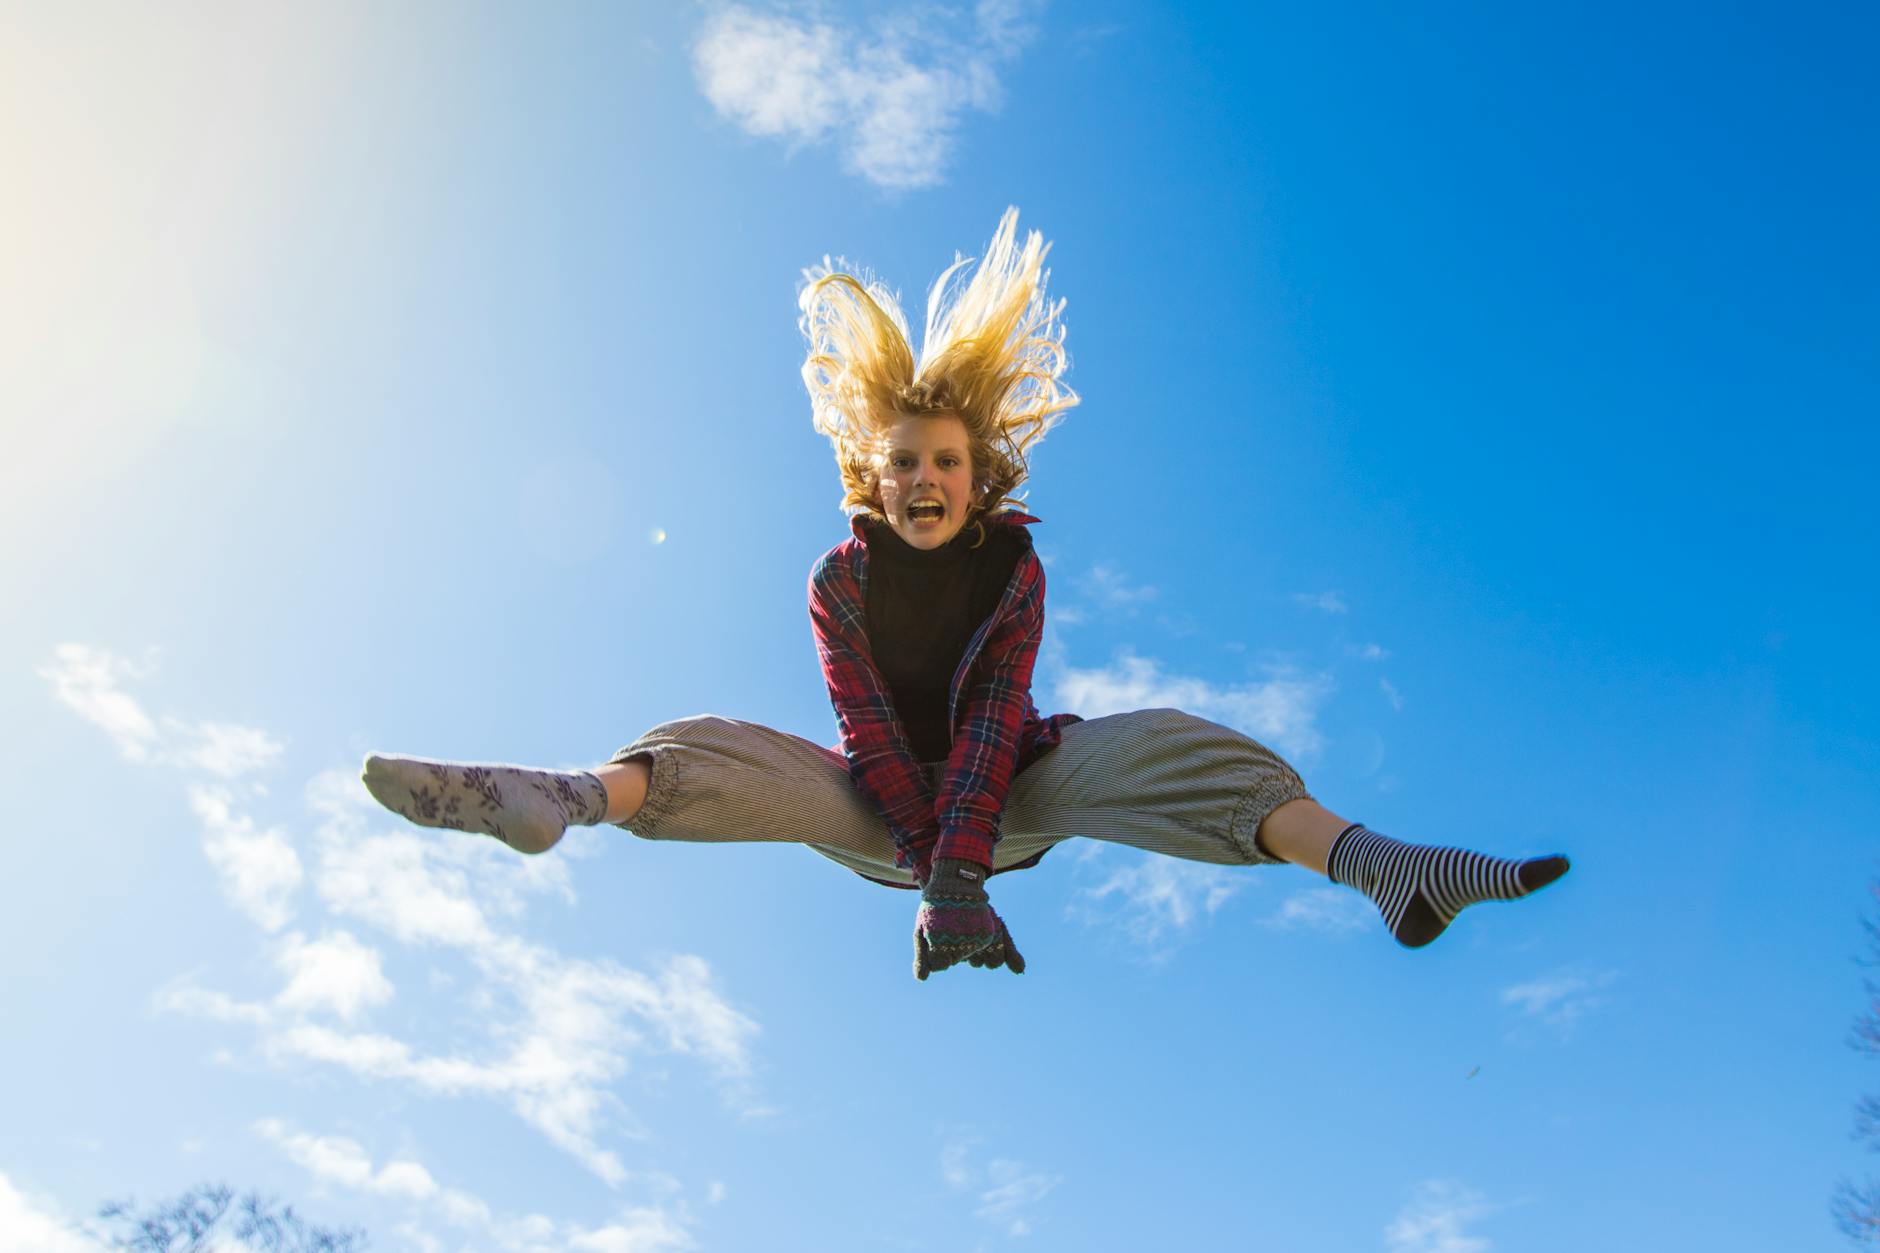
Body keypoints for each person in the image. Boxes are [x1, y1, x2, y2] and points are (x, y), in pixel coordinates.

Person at [362, 209, 1569, 980]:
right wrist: (927, 863)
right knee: (728, 747)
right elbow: (868, 732)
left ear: (975, 473)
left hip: (1011, 805)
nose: (924, 479)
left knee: (1155, 742)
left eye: (944, 462)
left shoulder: (1011, 569)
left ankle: (1378, 865)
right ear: (869, 478)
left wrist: (964, 875)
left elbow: (995, 721)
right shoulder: (840, 581)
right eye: (903, 464)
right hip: (879, 812)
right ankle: (562, 795)